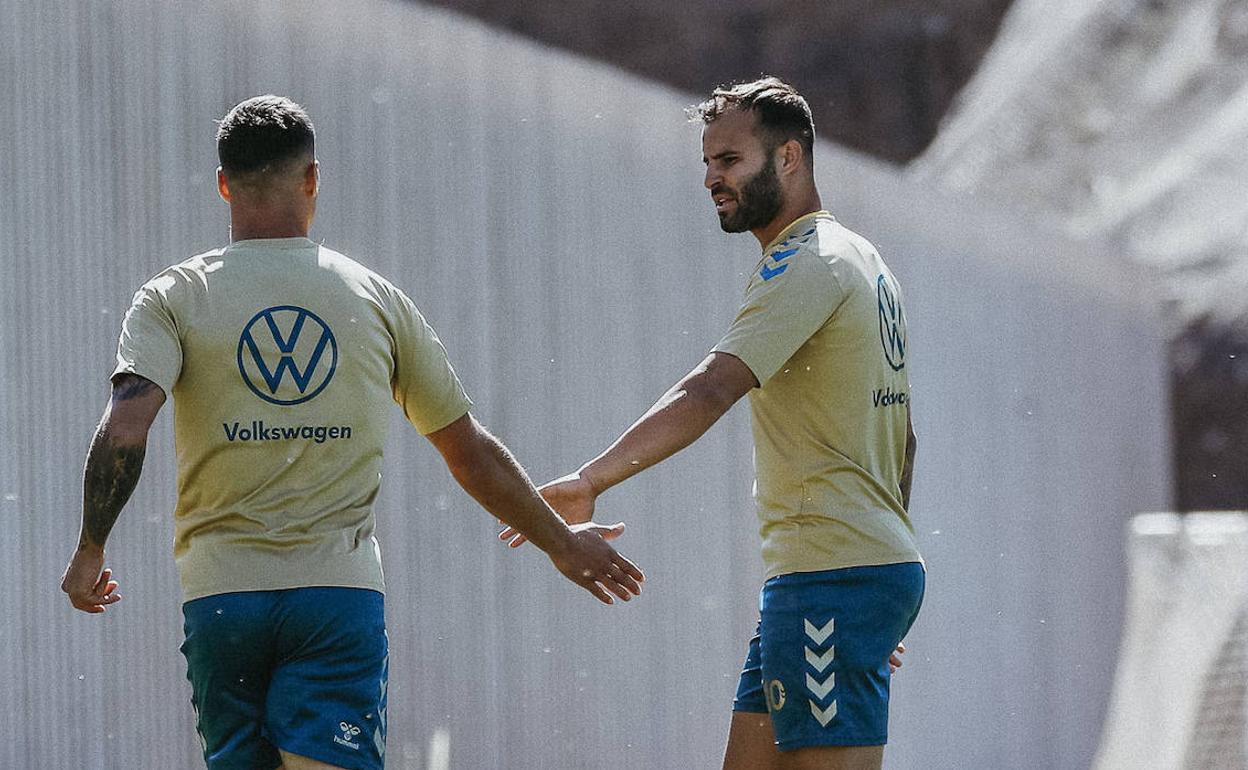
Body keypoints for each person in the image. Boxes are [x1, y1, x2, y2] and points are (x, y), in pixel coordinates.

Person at [59, 94, 645, 770]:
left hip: (221, 599)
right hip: (335, 600)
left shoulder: (172, 297)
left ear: (223, 184)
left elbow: (126, 429)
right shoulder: (373, 297)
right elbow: (469, 452)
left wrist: (89, 548)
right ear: (313, 178)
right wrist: (560, 543)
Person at [501, 77, 923, 770]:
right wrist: (879, 568)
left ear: (788, 158)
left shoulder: (805, 263)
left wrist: (590, 479)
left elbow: (710, 388)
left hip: (831, 578)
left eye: (728, 161)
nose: (708, 179)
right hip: (836, 575)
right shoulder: (863, 258)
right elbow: (904, 437)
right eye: (706, 162)